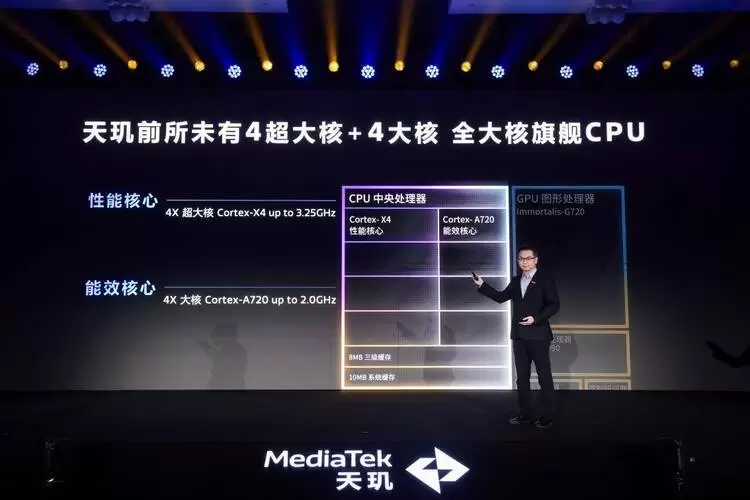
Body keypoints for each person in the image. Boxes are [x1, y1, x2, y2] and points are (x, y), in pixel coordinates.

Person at [472, 245, 560, 428]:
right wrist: (482, 284)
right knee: (522, 378)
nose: (524, 262)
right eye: (521, 259)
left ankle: (547, 416)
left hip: (538, 335)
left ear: (536, 260)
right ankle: (525, 415)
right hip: (519, 337)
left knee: (544, 377)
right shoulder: (515, 280)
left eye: (528, 258)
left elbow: (554, 305)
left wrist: (536, 318)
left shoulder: (544, 279)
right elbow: (500, 297)